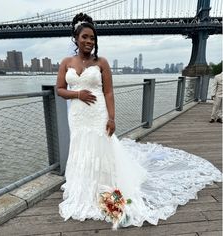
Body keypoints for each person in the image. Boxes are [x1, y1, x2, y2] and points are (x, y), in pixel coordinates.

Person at [57, 13, 222, 229]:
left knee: (100, 148)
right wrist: (77, 95)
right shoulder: (66, 62)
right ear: (76, 38)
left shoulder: (102, 63)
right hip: (78, 115)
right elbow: (59, 89)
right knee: (81, 147)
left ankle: (104, 187)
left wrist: (112, 118)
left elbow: (108, 94)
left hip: (98, 114)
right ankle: (83, 184)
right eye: (85, 37)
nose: (89, 42)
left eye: (93, 39)